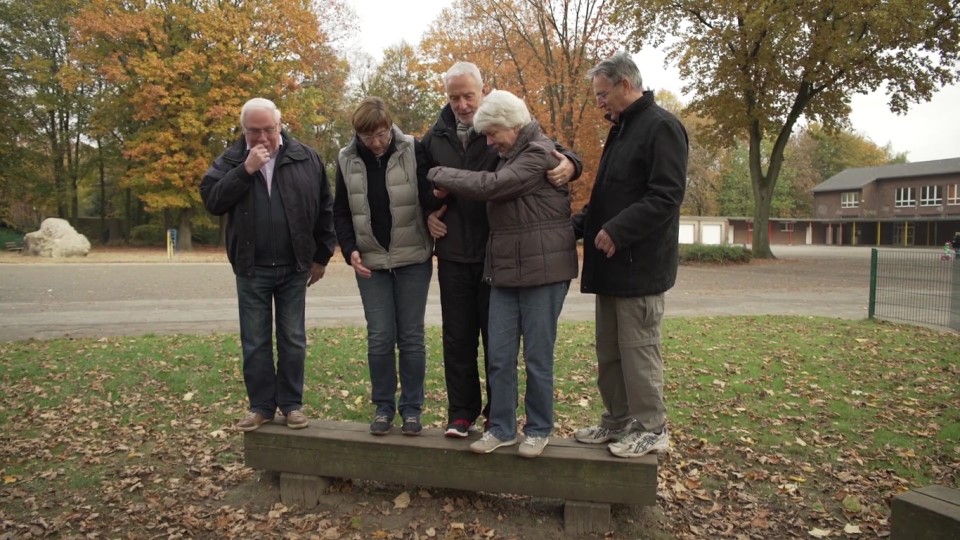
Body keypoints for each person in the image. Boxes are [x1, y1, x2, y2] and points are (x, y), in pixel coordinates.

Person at [421, 61, 583, 438]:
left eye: (468, 96)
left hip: (502, 257)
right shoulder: (436, 137)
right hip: (463, 253)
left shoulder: (508, 130)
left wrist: (572, 164)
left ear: (484, 92)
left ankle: (510, 421)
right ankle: (467, 416)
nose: (461, 104)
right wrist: (430, 208)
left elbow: (542, 156)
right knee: (464, 341)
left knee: (516, 351)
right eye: (454, 96)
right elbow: (420, 186)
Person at [572, 53, 688, 458]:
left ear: (625, 84)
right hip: (611, 268)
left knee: (639, 352)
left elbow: (666, 195)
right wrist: (575, 227)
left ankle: (652, 427)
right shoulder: (621, 130)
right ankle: (617, 419)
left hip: (640, 268)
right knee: (610, 350)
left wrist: (618, 230)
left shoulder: (661, 127)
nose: (599, 103)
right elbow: (608, 197)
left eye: (603, 95)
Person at [200, 97, 336, 432]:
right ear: (243, 129)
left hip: (294, 267)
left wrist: (321, 255)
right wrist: (245, 170)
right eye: (253, 131)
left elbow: (325, 209)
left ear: (280, 125)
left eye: (268, 130)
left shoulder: (306, 157)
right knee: (256, 341)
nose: (262, 138)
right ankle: (260, 406)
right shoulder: (232, 159)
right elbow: (213, 201)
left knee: (293, 337)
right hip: (251, 267)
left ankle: (291, 405)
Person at [333, 97, 438, 436]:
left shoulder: (411, 148)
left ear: (390, 127)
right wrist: (350, 249)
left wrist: (437, 212)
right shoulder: (346, 159)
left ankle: (411, 409)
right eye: (369, 137)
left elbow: (429, 194)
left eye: (381, 134)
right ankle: (383, 407)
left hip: (412, 259)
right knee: (380, 338)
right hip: (371, 263)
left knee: (410, 337)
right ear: (357, 135)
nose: (377, 142)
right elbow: (340, 211)